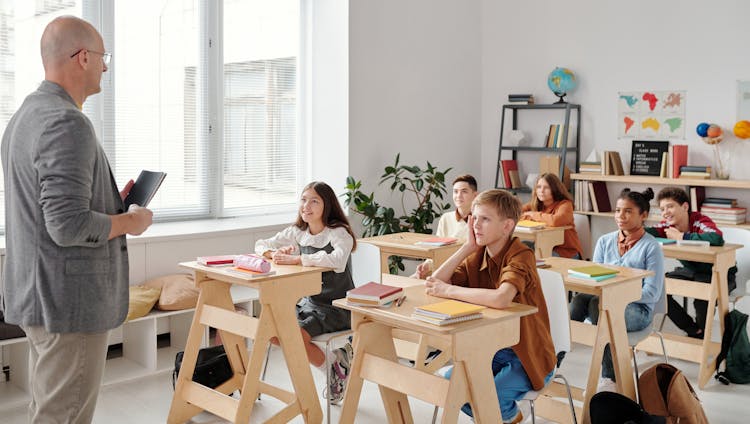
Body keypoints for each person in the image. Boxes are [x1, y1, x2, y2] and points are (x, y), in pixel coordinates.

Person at [0, 16, 153, 423]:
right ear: (83, 57)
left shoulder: (25, 117)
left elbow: (46, 207)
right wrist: (130, 221)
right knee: (63, 415)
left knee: (48, 406)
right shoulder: (67, 122)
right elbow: (66, 225)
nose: (105, 67)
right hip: (68, 303)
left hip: (37, 295)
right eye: (103, 58)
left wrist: (109, 204)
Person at [426, 189, 556, 423]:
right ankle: (504, 417)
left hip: (527, 354)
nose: (476, 225)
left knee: (491, 398)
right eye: (474, 218)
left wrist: (449, 291)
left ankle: (507, 416)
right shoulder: (477, 255)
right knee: (449, 387)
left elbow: (501, 298)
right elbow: (436, 282)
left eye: (485, 219)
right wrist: (467, 247)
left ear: (507, 226)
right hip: (491, 349)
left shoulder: (521, 254)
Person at [255, 181, 356, 403]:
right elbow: (261, 244)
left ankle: (333, 371)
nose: (306, 206)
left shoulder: (339, 233)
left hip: (336, 306)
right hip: (310, 303)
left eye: (314, 201)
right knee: (272, 333)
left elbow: (337, 260)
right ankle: (334, 365)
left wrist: (299, 258)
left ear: (326, 205)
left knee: (295, 337)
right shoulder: (298, 232)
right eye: (303, 199)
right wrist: (274, 252)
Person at [570, 188, 664, 392]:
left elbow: (652, 294)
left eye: (628, 211)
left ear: (644, 215)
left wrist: (617, 297)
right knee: (579, 301)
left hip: (639, 310)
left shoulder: (651, 247)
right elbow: (594, 281)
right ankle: (551, 362)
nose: (621, 216)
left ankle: (609, 378)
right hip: (606, 304)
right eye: (618, 210)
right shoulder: (604, 241)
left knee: (599, 305)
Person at [645, 186, 737, 339]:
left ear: (685, 206)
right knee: (656, 289)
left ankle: (700, 343)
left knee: (702, 300)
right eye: (662, 209)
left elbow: (716, 238)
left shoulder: (699, 221)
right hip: (692, 272)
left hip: (720, 274)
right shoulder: (667, 225)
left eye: (670, 206)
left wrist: (683, 237)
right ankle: (693, 330)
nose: (665, 212)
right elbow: (647, 232)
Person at [412, 174, 478, 279]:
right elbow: (438, 248)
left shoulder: (479, 220)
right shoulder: (446, 218)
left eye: (464, 191)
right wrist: (427, 265)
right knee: (410, 280)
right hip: (443, 265)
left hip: (466, 270)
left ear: (475, 195)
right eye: (456, 191)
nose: (458, 196)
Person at [520, 173, 584, 259]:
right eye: (539, 187)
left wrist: (533, 215)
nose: (541, 191)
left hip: (566, 252)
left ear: (555, 189)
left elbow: (555, 221)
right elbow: (516, 214)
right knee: (520, 249)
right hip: (544, 245)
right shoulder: (536, 204)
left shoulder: (565, 205)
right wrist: (531, 216)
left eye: (546, 187)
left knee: (537, 257)